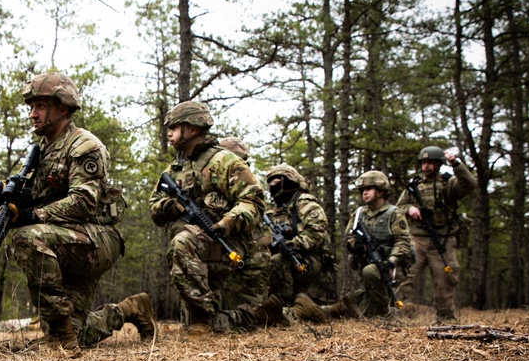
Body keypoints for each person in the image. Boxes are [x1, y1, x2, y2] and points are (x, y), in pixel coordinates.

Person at [6, 71, 156, 350]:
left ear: (62, 108)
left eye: (40, 106)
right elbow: (39, 199)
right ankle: (130, 309)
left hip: (96, 238)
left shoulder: (83, 145)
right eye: (31, 107)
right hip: (65, 238)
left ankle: (62, 334)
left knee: (27, 237)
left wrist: (33, 216)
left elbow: (83, 202)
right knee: (79, 333)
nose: (32, 114)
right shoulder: (42, 150)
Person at [147, 101, 279, 336]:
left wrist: (227, 222)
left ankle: (205, 318)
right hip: (195, 253)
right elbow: (154, 206)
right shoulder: (173, 170)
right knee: (204, 322)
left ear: (193, 129)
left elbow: (254, 201)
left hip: (227, 245)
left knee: (182, 245)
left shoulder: (224, 162)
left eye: (175, 127)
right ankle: (205, 319)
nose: (169, 132)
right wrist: (169, 206)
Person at [295, 171, 413, 322]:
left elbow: (403, 240)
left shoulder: (393, 213)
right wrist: (355, 245)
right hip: (368, 263)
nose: (364, 193)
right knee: (358, 299)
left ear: (381, 191)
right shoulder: (360, 213)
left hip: (391, 266)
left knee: (372, 278)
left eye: (369, 189)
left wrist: (392, 261)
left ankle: (384, 312)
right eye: (362, 190)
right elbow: (349, 235)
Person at [394, 146, 476, 322]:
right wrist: (410, 209)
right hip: (417, 239)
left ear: (439, 164)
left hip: (443, 240)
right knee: (406, 275)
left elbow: (470, 184)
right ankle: (401, 314)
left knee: (445, 280)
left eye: (430, 162)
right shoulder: (413, 186)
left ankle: (445, 318)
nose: (426, 166)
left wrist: (456, 164)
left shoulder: (449, 183)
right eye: (424, 163)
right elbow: (398, 208)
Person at [263, 164, 336, 305]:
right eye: (270, 183)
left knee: (277, 261)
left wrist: (296, 243)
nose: (272, 185)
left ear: (288, 181)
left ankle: (281, 304)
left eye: (276, 182)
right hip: (283, 256)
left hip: (309, 258)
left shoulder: (305, 203)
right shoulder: (271, 210)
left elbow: (318, 232)